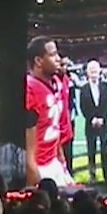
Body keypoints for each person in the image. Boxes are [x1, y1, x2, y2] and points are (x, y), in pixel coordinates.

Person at [24, 36, 74, 187]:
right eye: (52, 55)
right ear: (38, 61)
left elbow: (54, 127)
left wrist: (60, 159)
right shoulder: (30, 89)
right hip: (40, 166)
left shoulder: (55, 83)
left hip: (53, 160)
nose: (58, 59)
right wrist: (34, 177)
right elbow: (28, 148)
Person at [79, 60, 107, 183]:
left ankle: (106, 176)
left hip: (103, 124)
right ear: (87, 73)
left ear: (99, 72)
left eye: (95, 71)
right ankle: (92, 176)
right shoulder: (84, 88)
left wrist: (102, 118)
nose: (94, 74)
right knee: (91, 151)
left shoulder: (105, 86)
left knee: (104, 151)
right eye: (91, 71)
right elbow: (83, 106)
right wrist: (92, 119)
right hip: (90, 125)